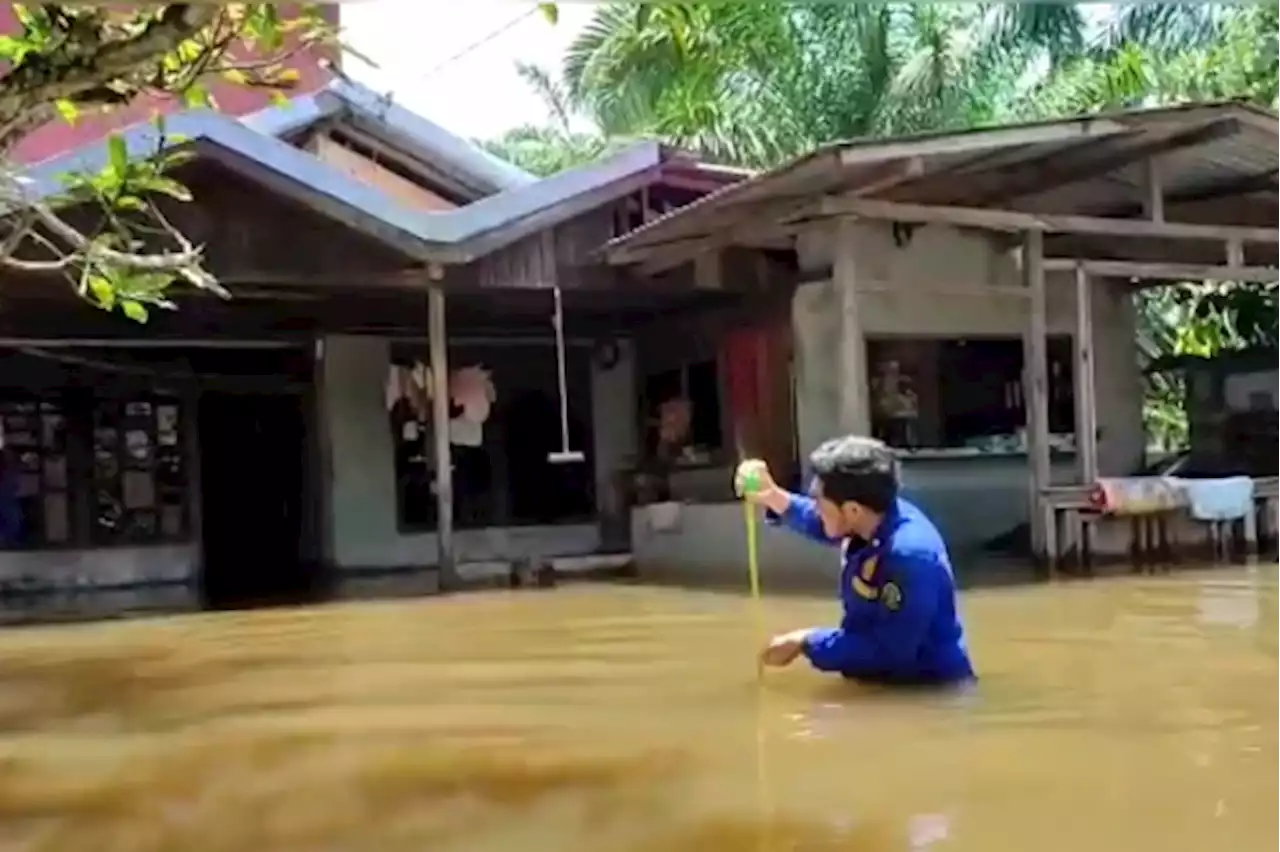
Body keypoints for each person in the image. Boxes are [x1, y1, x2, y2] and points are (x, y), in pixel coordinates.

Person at [735, 436, 974, 685]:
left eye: (819, 501)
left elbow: (889, 652)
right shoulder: (873, 515)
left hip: (925, 692)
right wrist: (772, 496)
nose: (815, 508)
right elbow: (824, 523)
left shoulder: (910, 557)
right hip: (884, 684)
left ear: (853, 510)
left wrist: (807, 641)